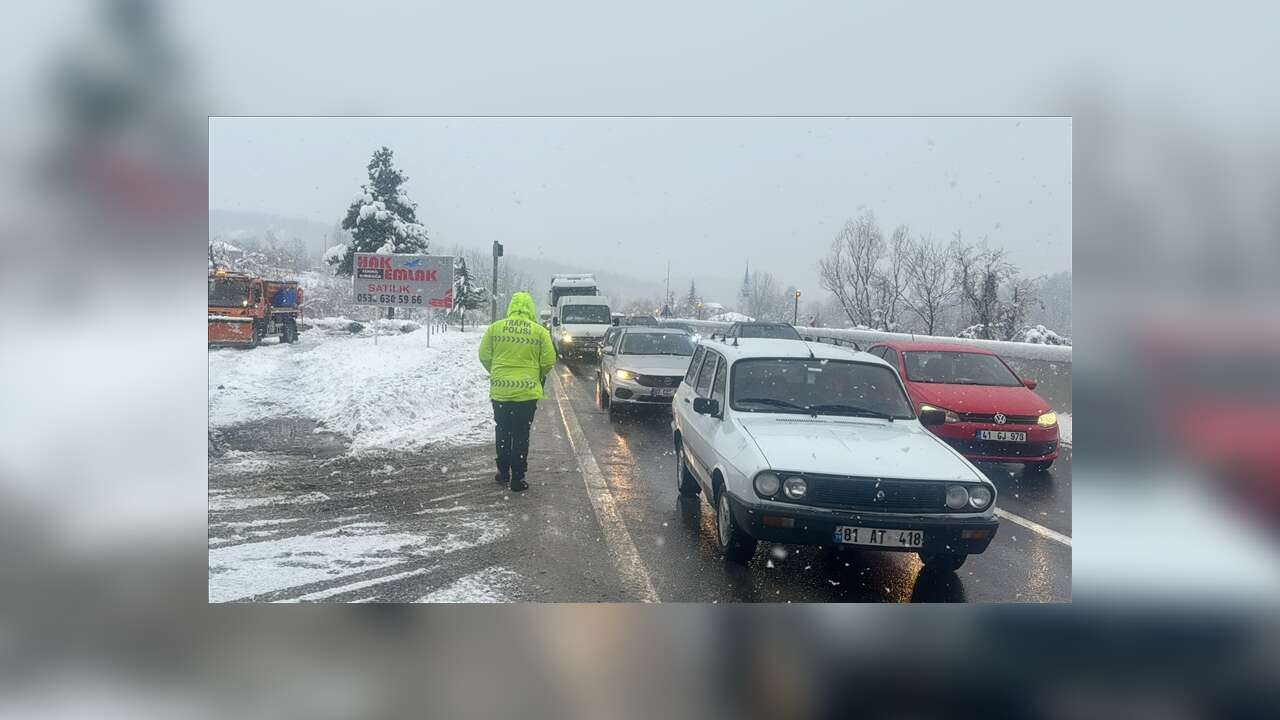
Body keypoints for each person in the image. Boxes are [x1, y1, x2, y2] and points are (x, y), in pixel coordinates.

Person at [477, 292, 556, 492]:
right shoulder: (539, 332)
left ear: (511, 307)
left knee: (503, 430)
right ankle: (518, 478)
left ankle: (503, 473)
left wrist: (496, 371)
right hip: (526, 393)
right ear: (531, 309)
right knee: (521, 433)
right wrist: (537, 374)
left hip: (501, 392)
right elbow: (549, 361)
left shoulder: (496, 328)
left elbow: (484, 355)